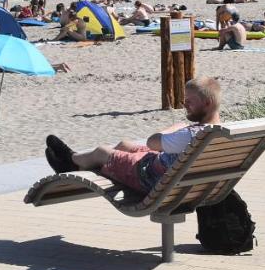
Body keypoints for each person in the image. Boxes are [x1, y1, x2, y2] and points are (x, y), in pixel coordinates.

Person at [44, 77, 222, 193]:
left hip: (150, 177)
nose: (185, 105)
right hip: (171, 173)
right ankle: (82, 166)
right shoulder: (220, 130)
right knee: (124, 145)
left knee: (101, 152)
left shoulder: (189, 135)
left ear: (206, 103)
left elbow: (152, 142)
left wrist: (176, 126)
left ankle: (71, 160)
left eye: (189, 102)